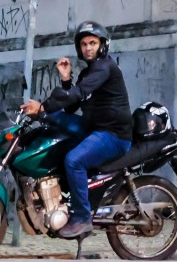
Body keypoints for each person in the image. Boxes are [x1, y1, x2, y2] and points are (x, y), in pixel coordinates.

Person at [17, 21, 131, 241]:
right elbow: (71, 106)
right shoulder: (89, 72)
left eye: (93, 43)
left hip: (113, 135)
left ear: (102, 45)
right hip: (93, 127)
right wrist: (65, 79)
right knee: (55, 122)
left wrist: (42, 107)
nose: (88, 48)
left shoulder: (105, 67)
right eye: (84, 44)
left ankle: (81, 218)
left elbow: (76, 95)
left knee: (74, 161)